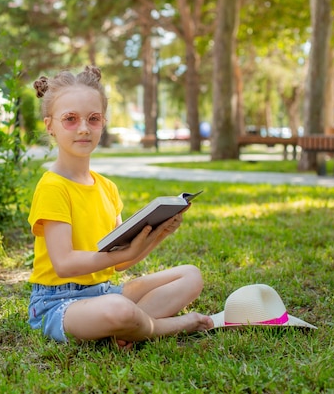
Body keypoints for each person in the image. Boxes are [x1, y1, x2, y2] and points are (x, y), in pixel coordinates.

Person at [28, 65, 213, 347]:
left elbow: (121, 260)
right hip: (58, 302)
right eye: (70, 119)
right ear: (50, 125)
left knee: (190, 275)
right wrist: (119, 261)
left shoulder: (107, 188)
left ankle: (128, 331)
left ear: (103, 123)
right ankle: (165, 326)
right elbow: (64, 264)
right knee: (119, 309)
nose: (83, 129)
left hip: (104, 291)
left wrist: (158, 233)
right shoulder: (53, 186)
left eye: (93, 119)